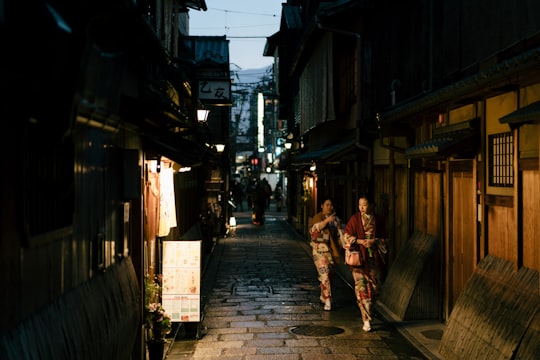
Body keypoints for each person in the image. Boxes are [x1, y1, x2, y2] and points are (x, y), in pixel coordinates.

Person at [343, 195, 388, 332]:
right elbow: (346, 235)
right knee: (361, 288)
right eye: (360, 205)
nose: (362, 208)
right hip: (359, 260)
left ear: (372, 205)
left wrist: (375, 241)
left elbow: (386, 238)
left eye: (365, 204)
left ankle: (368, 307)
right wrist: (359, 241)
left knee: (375, 289)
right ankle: (366, 319)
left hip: (373, 258)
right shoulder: (355, 219)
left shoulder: (378, 221)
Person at [309, 196, 342, 311]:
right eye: (327, 205)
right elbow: (315, 228)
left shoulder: (335, 219)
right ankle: (328, 299)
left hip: (330, 251)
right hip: (319, 250)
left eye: (331, 205)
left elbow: (340, 234)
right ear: (322, 205)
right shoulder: (318, 217)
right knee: (325, 274)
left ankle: (324, 295)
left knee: (331, 274)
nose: (329, 207)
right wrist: (327, 221)